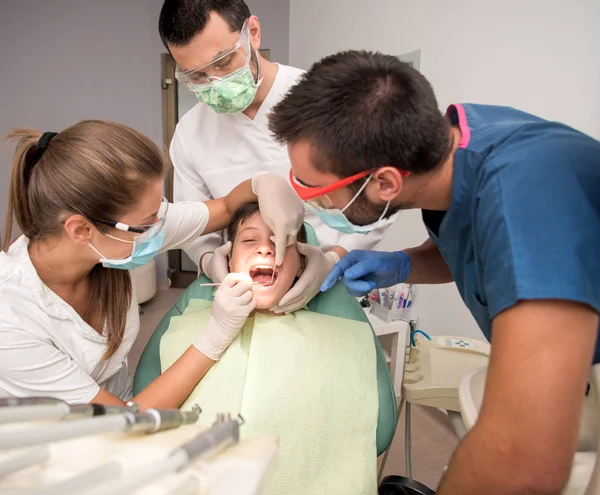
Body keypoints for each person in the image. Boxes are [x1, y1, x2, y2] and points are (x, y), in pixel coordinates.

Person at [268, 50, 600, 494]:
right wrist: (403, 264)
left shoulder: (525, 197)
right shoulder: (458, 140)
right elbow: (482, 245)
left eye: (318, 189)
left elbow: (525, 463)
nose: (312, 202)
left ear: (385, 183)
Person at [0, 120, 304, 409]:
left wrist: (266, 183)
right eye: (147, 222)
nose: (162, 225)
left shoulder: (117, 235)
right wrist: (215, 337)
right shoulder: (11, 322)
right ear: (81, 230)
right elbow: (125, 422)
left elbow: (226, 207)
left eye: (160, 209)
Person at [157, 0, 395, 313]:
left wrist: (333, 259)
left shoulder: (327, 102)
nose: (214, 83)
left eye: (223, 62)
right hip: (243, 297)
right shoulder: (190, 132)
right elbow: (193, 221)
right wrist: (208, 259)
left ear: (252, 33)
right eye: (196, 76)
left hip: (328, 282)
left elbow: (377, 201)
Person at [157, 201, 379, 494]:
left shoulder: (342, 342)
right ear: (228, 262)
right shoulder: (191, 331)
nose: (264, 249)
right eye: (249, 240)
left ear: (302, 265)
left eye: (282, 242)